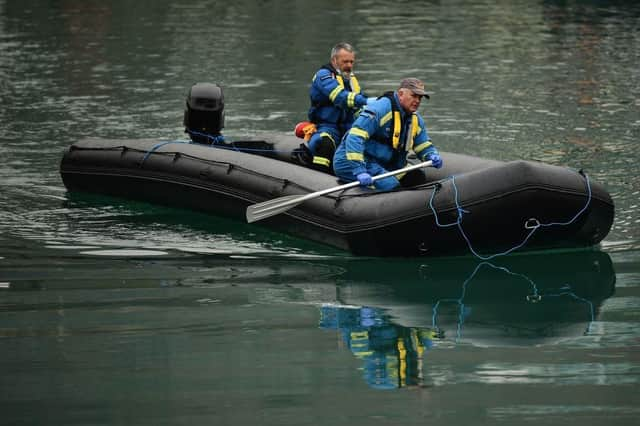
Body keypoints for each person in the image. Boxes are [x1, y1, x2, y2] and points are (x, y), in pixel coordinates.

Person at [332, 77, 443, 191]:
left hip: (386, 164)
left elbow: (422, 144)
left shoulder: (415, 119)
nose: (418, 101)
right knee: (391, 186)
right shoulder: (381, 109)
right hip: (353, 161)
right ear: (400, 94)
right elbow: (355, 137)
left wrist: (431, 155)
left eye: (420, 97)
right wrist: (359, 170)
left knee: (416, 177)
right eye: (414, 96)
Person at [300, 42, 374, 173]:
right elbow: (340, 97)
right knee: (325, 143)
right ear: (334, 60)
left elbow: (359, 106)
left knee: (369, 142)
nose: (349, 66)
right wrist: (367, 100)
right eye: (345, 62)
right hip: (327, 126)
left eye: (352, 62)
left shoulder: (351, 80)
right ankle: (319, 176)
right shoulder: (323, 76)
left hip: (348, 127)